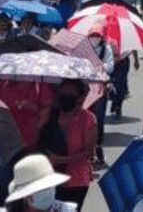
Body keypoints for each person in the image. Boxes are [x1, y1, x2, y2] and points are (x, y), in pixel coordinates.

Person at [37, 79, 97, 208]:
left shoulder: (87, 119)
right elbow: (38, 136)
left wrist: (61, 160)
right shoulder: (51, 115)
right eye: (63, 94)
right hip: (50, 177)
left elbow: (88, 153)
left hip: (76, 181)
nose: (66, 98)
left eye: (70, 95)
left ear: (80, 97)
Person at [5, 153, 76, 212]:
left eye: (51, 185)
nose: (50, 190)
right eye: (43, 187)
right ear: (27, 195)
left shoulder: (66, 210)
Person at [86, 28, 116, 168]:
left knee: (99, 120)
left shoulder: (106, 49)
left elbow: (110, 67)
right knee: (86, 119)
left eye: (97, 35)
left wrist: (96, 66)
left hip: (100, 88)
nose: (94, 38)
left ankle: (98, 148)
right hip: (86, 89)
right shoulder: (84, 50)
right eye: (92, 35)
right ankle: (87, 152)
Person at [110, 49, 140, 119]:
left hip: (123, 62)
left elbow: (133, 47)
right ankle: (114, 100)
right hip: (110, 61)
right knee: (111, 85)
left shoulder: (127, 38)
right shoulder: (107, 39)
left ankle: (118, 106)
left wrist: (136, 60)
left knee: (119, 84)